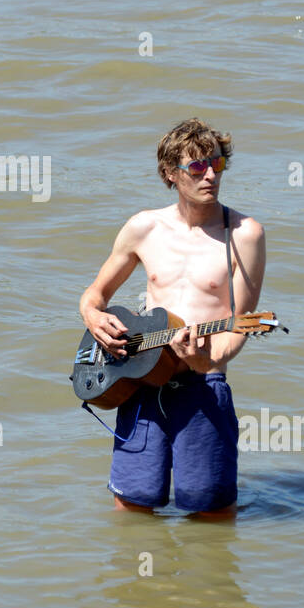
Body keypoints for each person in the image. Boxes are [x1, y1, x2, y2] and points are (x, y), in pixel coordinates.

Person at [78, 117, 266, 517]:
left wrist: (204, 360)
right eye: (197, 167)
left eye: (216, 164)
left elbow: (239, 325)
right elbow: (95, 295)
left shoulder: (245, 234)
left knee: (211, 512)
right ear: (170, 173)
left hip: (203, 382)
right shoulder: (144, 227)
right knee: (131, 505)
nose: (210, 175)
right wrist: (93, 317)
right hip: (139, 377)